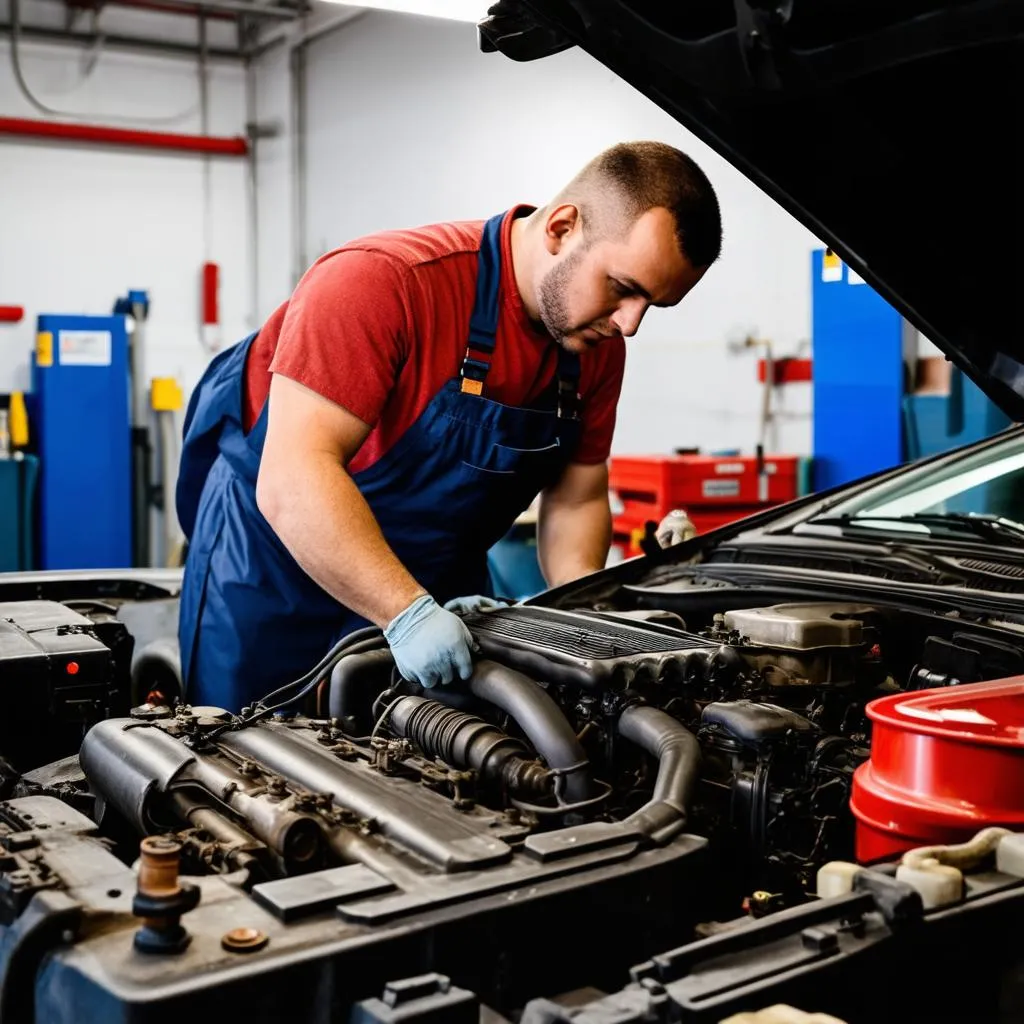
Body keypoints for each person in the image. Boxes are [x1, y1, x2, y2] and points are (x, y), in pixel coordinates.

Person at [176, 140, 722, 711]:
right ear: (561, 228)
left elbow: (578, 499)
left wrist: (586, 610)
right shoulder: (383, 283)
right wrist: (405, 614)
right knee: (242, 761)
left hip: (436, 582)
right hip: (275, 570)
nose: (630, 326)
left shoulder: (594, 346)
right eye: (623, 288)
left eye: (651, 306)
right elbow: (293, 477)